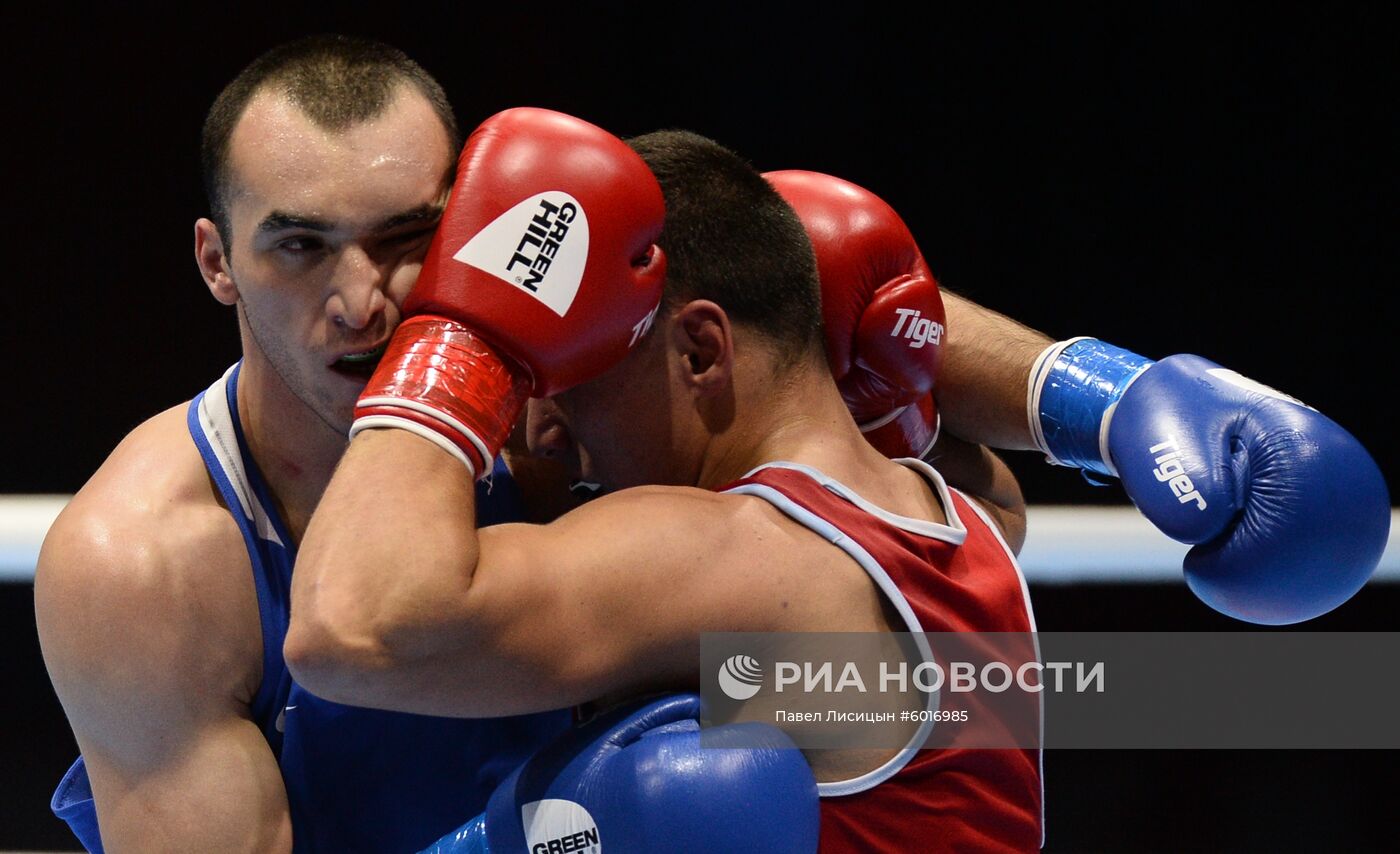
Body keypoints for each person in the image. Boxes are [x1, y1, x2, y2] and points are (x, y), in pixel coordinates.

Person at [287, 118, 1044, 852]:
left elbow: (348, 631)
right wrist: (1097, 398)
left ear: (702, 351)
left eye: (577, 371)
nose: (541, 429)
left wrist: (462, 343)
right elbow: (1001, 487)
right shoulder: (968, 522)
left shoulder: (741, 553)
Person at [33, 36, 576, 853]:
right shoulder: (144, 563)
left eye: (403, 239)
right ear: (218, 264)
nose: (361, 302)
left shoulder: (566, 440)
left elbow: (816, 692)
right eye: (302, 245)